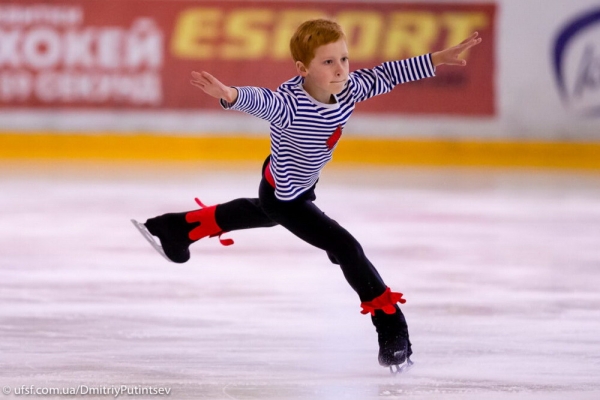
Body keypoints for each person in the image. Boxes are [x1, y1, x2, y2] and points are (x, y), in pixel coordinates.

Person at [133, 19, 481, 373]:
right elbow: (263, 101)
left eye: (343, 59)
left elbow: (387, 74)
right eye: (328, 62)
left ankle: (177, 228)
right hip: (286, 196)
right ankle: (392, 328)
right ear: (303, 69)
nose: (340, 69)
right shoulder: (290, 105)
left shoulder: (348, 88)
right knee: (346, 248)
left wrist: (438, 58)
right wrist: (230, 94)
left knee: (263, 214)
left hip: (295, 185)